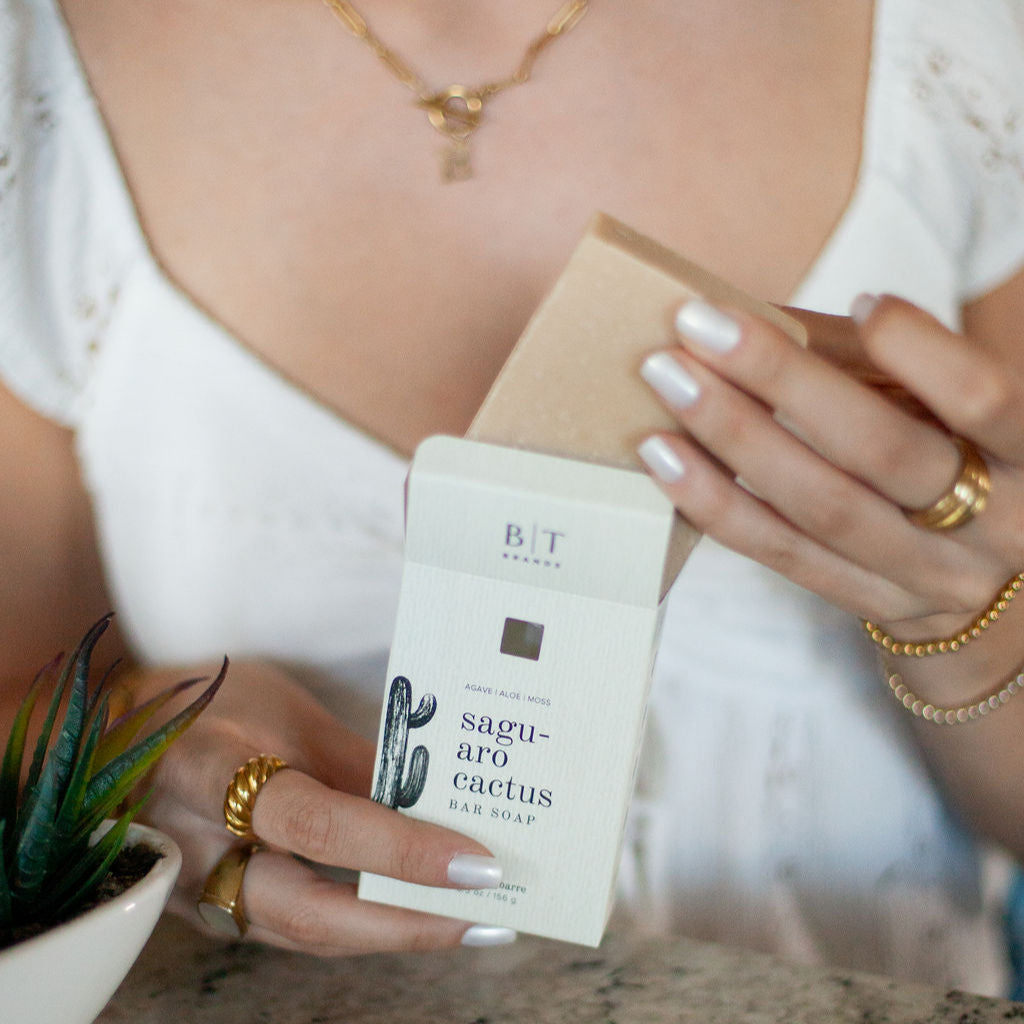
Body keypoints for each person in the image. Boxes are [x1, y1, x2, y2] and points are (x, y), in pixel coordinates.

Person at [2, 0, 1024, 995]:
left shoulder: (956, 43)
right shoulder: (36, 86)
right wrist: (131, 758)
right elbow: (16, 705)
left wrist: (975, 627)